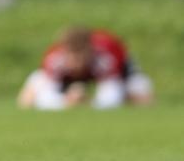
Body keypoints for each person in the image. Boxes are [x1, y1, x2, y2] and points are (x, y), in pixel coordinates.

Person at [17, 26, 154, 110]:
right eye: (72, 57)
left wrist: (89, 103)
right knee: (26, 99)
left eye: (80, 56)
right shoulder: (54, 57)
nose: (76, 63)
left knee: (144, 102)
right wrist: (67, 102)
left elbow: (111, 97)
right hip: (68, 81)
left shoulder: (106, 56)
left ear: (90, 50)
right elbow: (46, 98)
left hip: (121, 72)